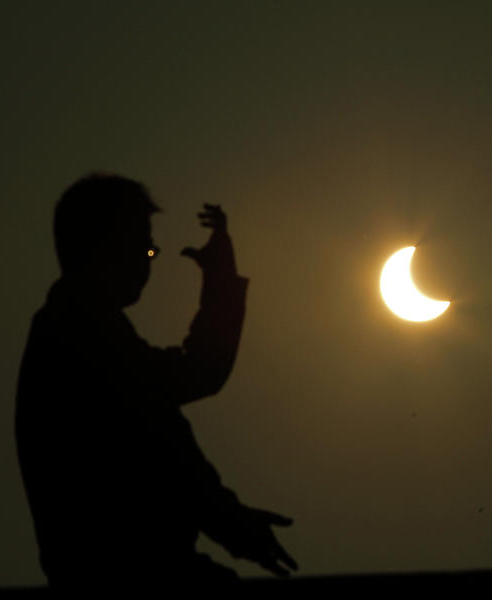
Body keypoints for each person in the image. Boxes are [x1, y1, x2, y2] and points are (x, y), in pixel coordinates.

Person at [15, 173, 297, 588]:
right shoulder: (82, 336)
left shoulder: (74, 330)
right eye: (145, 248)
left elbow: (171, 422)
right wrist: (233, 523)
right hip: (128, 572)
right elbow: (172, 430)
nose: (149, 261)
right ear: (106, 248)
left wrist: (232, 522)